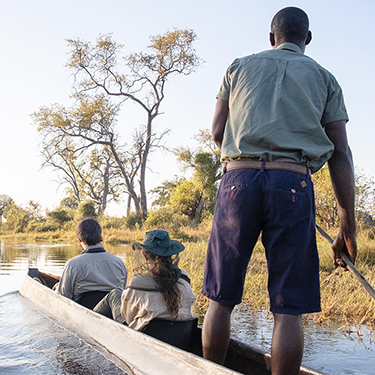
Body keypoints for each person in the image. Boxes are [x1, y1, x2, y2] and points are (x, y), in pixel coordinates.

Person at [201, 7, 357, 375]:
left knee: (220, 300)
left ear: (271, 38)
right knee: (288, 309)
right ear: (307, 39)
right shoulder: (323, 77)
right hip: (292, 184)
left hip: (237, 182)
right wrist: (346, 225)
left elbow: (217, 132)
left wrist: (244, 159)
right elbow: (341, 153)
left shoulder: (237, 67)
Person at [94, 230, 196, 331]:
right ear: (170, 254)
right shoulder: (183, 277)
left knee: (114, 294)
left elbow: (128, 318)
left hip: (143, 339)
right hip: (180, 335)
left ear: (145, 255)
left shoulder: (138, 283)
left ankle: (89, 321)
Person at [56, 218, 127, 308]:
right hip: (113, 315)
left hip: (82, 314)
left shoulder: (73, 265)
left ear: (80, 239)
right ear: (100, 236)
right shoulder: (119, 263)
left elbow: (63, 298)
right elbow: (123, 292)